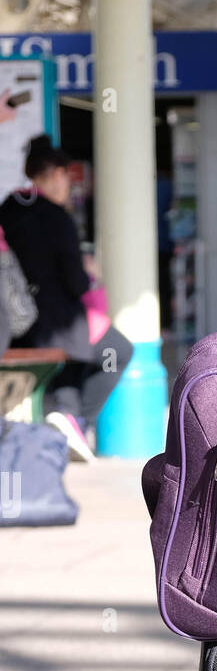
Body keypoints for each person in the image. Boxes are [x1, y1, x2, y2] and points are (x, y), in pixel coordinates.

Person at [0, 135, 133, 459]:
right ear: (57, 174)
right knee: (117, 349)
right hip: (54, 323)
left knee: (82, 352)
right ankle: (76, 420)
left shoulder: (8, 209)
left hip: (13, 322)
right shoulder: (58, 219)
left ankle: (65, 416)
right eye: (66, 179)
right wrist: (91, 275)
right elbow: (74, 283)